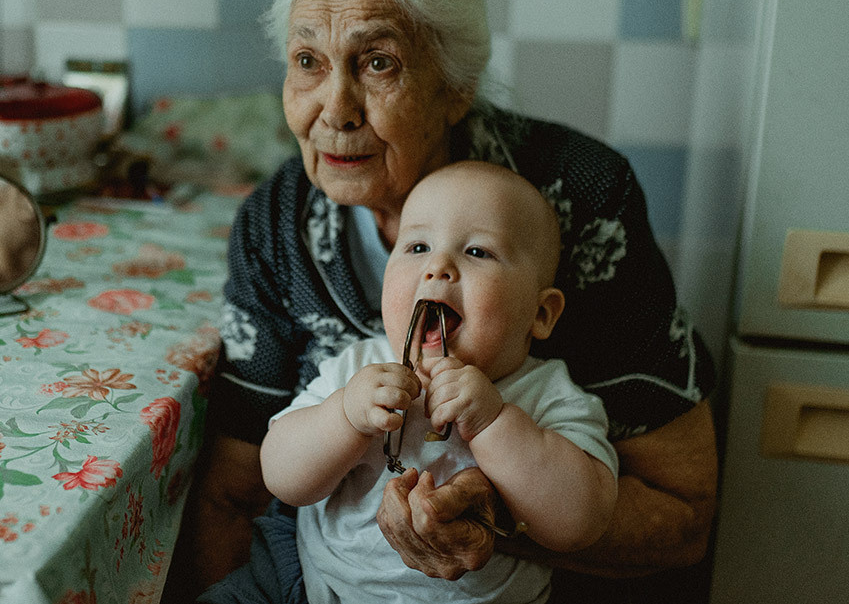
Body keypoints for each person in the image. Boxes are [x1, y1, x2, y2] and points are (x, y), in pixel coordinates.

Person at [167, 0, 717, 604]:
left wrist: (498, 513)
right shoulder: (278, 226)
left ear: (455, 86)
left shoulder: (576, 197)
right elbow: (238, 490)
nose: (334, 109)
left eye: (378, 63)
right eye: (308, 61)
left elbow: (684, 517)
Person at [254, 161, 618, 604]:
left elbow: (579, 522)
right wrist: (344, 415)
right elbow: (280, 474)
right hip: (324, 587)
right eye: (417, 246)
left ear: (540, 314)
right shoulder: (356, 369)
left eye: (478, 252)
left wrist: (493, 423)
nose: (438, 267)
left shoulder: (547, 393)